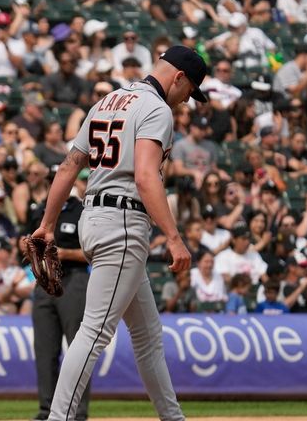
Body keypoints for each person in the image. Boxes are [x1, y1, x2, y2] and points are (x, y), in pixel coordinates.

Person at [31, 45, 208, 421]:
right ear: (178, 78)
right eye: (189, 90)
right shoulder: (157, 109)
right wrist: (174, 237)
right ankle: (59, 418)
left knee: (147, 337)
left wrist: (47, 224)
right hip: (123, 222)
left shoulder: (107, 101)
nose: (186, 100)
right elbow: (145, 177)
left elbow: (69, 166)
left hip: (94, 218)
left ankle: (173, 418)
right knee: (94, 333)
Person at [29, 189, 91, 421]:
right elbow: (24, 243)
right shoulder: (39, 210)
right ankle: (47, 410)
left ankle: (78, 412)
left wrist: (64, 254)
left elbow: (93, 252)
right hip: (43, 280)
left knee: (78, 347)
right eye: (50, 181)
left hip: (74, 278)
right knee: (45, 350)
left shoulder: (83, 210)